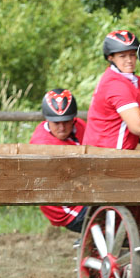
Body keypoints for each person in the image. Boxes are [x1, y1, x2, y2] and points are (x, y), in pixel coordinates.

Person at [29, 88, 89, 232]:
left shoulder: (80, 125)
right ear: (47, 120)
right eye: (56, 123)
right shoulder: (42, 145)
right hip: (65, 206)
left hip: (85, 191)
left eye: (66, 121)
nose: (62, 127)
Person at [83, 30, 140, 150]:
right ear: (111, 58)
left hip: (111, 153)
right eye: (122, 56)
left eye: (132, 55)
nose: (129, 60)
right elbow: (138, 127)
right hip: (107, 157)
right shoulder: (116, 85)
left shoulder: (128, 79)